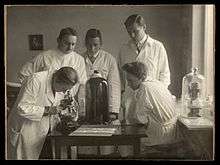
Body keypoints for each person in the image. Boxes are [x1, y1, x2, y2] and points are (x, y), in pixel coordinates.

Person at [7, 67, 79, 159]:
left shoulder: (59, 83)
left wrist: (66, 107)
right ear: (56, 80)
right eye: (64, 88)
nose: (65, 92)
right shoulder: (35, 80)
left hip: (45, 132)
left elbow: (59, 101)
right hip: (26, 130)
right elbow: (22, 108)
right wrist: (47, 110)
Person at [18, 27, 87, 116]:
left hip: (65, 106)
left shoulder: (79, 60)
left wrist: (80, 106)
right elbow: (24, 75)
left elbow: (81, 84)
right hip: (43, 104)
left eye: (73, 44)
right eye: (66, 43)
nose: (70, 47)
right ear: (58, 40)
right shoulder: (45, 57)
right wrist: (34, 96)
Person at [118, 14, 171, 123]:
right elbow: (120, 76)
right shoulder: (124, 49)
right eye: (129, 32)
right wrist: (123, 94)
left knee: (149, 133)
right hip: (130, 99)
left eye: (135, 31)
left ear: (144, 27)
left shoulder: (157, 47)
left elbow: (165, 75)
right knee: (130, 132)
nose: (132, 35)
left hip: (151, 100)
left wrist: (158, 95)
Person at [119, 62, 177, 157]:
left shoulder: (144, 87)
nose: (128, 85)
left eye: (130, 81)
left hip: (160, 135)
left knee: (127, 144)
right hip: (171, 131)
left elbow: (140, 119)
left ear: (142, 77)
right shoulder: (156, 82)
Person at [78, 28, 121, 156]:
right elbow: (77, 86)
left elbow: (114, 85)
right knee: (86, 144)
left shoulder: (109, 59)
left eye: (95, 45)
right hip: (85, 105)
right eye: (89, 45)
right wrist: (80, 110)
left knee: (105, 145)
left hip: (104, 106)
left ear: (101, 44)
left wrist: (113, 111)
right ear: (85, 43)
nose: (92, 48)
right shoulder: (78, 59)